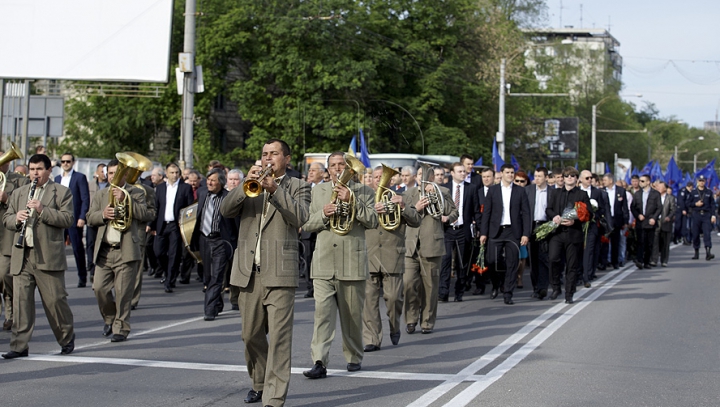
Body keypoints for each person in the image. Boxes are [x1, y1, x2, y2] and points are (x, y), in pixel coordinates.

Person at [220, 139, 309, 406]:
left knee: (280, 339)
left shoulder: (299, 186)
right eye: (264, 154)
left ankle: (274, 397)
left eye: (273, 154)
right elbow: (226, 210)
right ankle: (259, 383)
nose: (268, 158)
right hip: (248, 273)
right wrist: (244, 185)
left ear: (287, 159)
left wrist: (275, 191)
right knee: (250, 335)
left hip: (280, 272)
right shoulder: (251, 185)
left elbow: (301, 217)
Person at [303, 151, 376, 378]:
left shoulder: (365, 191)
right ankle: (319, 361)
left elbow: (373, 220)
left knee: (352, 316)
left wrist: (351, 201)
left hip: (351, 262)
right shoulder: (318, 191)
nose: (337, 169)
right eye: (333, 165)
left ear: (348, 168)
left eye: (341, 165)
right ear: (328, 169)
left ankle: (354, 356)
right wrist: (324, 214)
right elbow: (307, 224)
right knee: (322, 315)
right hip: (324, 263)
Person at [1, 154, 75, 359]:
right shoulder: (18, 193)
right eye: (32, 169)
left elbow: (68, 219)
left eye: (39, 169)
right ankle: (19, 345)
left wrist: (43, 210)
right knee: (21, 303)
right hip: (22, 255)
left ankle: (66, 337)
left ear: (49, 170)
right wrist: (16, 218)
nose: (35, 173)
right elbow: (6, 218)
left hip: (47, 256)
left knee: (55, 301)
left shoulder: (61, 192)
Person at [86, 158, 151, 342]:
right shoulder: (100, 195)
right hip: (105, 251)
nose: (113, 177)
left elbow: (146, 214)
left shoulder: (135, 192)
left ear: (124, 175)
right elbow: (90, 217)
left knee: (123, 294)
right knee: (99, 288)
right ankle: (110, 318)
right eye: (110, 173)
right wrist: (103, 215)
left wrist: (126, 200)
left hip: (125, 250)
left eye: (117, 173)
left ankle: (121, 328)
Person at [362, 165, 421, 352]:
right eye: (376, 177)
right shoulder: (363, 200)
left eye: (382, 177)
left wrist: (403, 208)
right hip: (368, 255)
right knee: (369, 301)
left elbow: (416, 220)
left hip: (392, 256)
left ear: (390, 180)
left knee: (394, 298)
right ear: (371, 180)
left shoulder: (399, 198)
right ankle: (372, 338)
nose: (379, 180)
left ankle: (395, 326)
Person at [403, 165, 457, 333]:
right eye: (420, 175)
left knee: (430, 287)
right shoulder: (409, 194)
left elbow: (453, 212)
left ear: (432, 178)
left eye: (426, 175)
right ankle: (410, 319)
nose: (422, 178)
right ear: (416, 177)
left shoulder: (443, 191)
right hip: (411, 245)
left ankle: (427, 321)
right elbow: (404, 215)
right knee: (409, 284)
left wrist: (441, 206)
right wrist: (415, 208)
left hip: (432, 245)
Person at [479, 164, 531, 305]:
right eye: (507, 172)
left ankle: (508, 293)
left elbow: (526, 214)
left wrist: (526, 234)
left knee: (512, 263)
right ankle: (497, 284)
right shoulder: (493, 190)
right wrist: (483, 233)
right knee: (492, 260)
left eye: (512, 172)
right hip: (496, 231)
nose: (510, 175)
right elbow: (487, 213)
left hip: (513, 232)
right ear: (501, 173)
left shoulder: (520, 191)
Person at [191, 169, 237, 320]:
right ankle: (217, 304)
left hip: (220, 241)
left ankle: (209, 310)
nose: (209, 182)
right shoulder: (203, 193)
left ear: (221, 183)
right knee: (208, 275)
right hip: (204, 239)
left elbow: (235, 224)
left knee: (217, 276)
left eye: (213, 180)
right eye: (208, 179)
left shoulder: (228, 197)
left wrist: (234, 244)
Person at [545, 167, 590, 304]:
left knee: (572, 265)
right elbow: (548, 209)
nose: (569, 177)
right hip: (557, 233)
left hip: (573, 233)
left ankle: (569, 293)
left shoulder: (582, 194)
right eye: (566, 175)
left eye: (572, 175)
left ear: (576, 179)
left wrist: (574, 219)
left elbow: (588, 214)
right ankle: (556, 287)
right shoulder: (556, 193)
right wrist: (555, 217)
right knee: (553, 259)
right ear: (563, 178)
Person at [439, 162, 479, 302]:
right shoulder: (444, 189)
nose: (463, 173)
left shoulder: (471, 188)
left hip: (463, 230)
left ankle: (459, 292)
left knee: (462, 263)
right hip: (447, 230)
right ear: (452, 173)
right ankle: (443, 292)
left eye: (464, 171)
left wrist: (478, 229)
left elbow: (475, 210)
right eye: (460, 171)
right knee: (445, 260)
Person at [0, 151, 30, 331]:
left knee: (4, 276)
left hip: (6, 237)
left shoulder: (19, 180)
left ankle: (10, 311)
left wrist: (6, 199)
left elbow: (24, 204)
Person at [153, 163, 194, 293]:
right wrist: (151, 225)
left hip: (176, 226)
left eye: (177, 172)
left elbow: (190, 209)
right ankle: (168, 272)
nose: (174, 175)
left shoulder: (185, 188)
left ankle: (170, 281)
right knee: (158, 252)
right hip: (162, 225)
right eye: (172, 172)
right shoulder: (160, 188)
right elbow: (156, 207)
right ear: (166, 173)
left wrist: (185, 224)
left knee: (174, 254)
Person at [55, 153, 90, 287]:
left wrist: (82, 217)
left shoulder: (79, 177)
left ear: (73, 162)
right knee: (57, 249)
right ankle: (58, 278)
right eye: (63, 161)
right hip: (58, 219)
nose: (65, 164)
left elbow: (85, 199)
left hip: (74, 219)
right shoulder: (57, 179)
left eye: (68, 161)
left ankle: (82, 277)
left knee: (77, 248)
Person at [578, 170, 610, 286]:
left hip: (592, 226)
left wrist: (593, 215)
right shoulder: (577, 191)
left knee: (589, 251)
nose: (590, 180)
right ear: (581, 179)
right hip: (578, 226)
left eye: (591, 178)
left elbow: (602, 209)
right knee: (578, 251)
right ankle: (578, 275)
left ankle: (587, 276)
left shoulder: (597, 192)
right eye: (587, 178)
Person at [525, 167, 553, 300]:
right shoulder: (528, 190)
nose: (536, 178)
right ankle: (536, 287)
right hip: (532, 226)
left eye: (539, 176)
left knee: (544, 257)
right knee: (534, 259)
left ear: (546, 177)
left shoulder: (553, 192)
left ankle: (543, 287)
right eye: (535, 176)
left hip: (546, 226)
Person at [300, 162, 326, 298]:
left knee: (323, 259)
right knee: (308, 258)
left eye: (314, 170)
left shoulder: (327, 188)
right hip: (307, 229)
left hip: (322, 228)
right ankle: (310, 287)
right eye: (309, 170)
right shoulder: (305, 187)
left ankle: (322, 285)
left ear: (322, 173)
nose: (310, 173)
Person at [630, 174, 662, 269]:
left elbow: (659, 208)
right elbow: (633, 207)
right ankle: (639, 260)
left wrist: (654, 218)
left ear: (648, 182)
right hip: (641, 221)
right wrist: (638, 215)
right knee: (640, 241)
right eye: (640, 181)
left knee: (649, 243)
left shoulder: (655, 194)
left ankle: (647, 261)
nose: (640, 183)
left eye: (642, 181)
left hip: (650, 222)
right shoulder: (637, 194)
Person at [602, 173, 629, 269]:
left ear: (610, 180)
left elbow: (624, 207)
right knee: (604, 242)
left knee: (615, 242)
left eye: (605, 180)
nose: (603, 182)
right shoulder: (602, 190)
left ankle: (615, 262)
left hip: (616, 219)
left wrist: (626, 221)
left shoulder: (621, 191)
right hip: (605, 220)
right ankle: (604, 262)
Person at [86, 163, 108, 283]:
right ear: (97, 172)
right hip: (93, 217)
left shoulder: (110, 186)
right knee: (90, 243)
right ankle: (91, 264)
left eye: (106, 172)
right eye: (101, 171)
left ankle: (98, 268)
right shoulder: (90, 184)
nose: (103, 174)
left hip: (105, 219)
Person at [687, 175, 716, 260]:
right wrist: (695, 204)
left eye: (703, 181)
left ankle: (708, 252)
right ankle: (696, 252)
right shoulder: (693, 192)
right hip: (696, 214)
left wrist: (713, 215)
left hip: (706, 215)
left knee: (707, 234)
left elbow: (712, 205)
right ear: (697, 182)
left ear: (705, 181)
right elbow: (688, 203)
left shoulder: (709, 192)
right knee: (695, 234)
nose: (701, 182)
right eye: (700, 181)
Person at [651, 181, 676, 267]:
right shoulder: (654, 197)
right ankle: (654, 260)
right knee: (655, 242)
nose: (658, 188)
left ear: (665, 188)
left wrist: (669, 216)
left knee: (665, 243)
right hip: (656, 222)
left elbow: (673, 210)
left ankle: (664, 260)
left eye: (660, 187)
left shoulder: (670, 198)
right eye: (657, 187)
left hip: (666, 222)